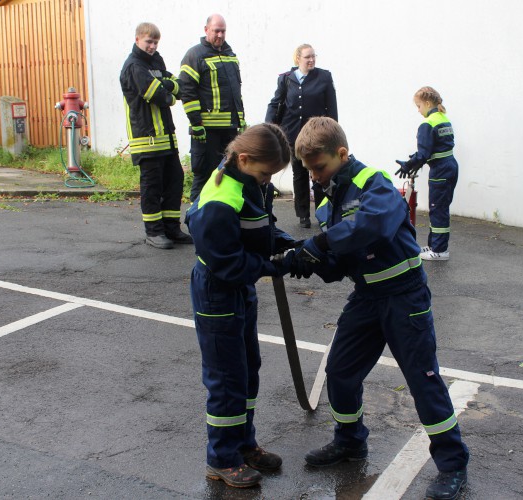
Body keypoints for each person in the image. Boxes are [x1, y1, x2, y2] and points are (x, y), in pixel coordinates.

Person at [293, 117, 470, 500]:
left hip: (404, 296)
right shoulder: (328, 200)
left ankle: (453, 464)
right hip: (367, 297)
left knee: (423, 381)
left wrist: (321, 245)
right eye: (309, 169)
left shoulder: (374, 183)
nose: (315, 176)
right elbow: (339, 263)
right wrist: (303, 262)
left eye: (319, 167)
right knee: (340, 372)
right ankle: (350, 441)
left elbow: (374, 226)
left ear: (341, 154)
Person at [185, 123, 301, 489]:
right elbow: (229, 263)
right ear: (245, 158)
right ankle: (220, 458)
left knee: (248, 369)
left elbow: (260, 229)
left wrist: (292, 246)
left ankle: (243, 444)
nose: (268, 181)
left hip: (238, 290)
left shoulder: (249, 183)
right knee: (226, 378)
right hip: (218, 291)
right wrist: (276, 265)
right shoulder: (221, 199)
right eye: (266, 173)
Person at [119, 22, 193, 249]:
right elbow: (160, 96)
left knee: (174, 181)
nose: (152, 46)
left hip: (166, 138)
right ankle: (153, 232)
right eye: (148, 42)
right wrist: (167, 91)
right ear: (137, 40)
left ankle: (171, 228)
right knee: (152, 187)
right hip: (147, 139)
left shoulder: (155, 62)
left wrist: (166, 86)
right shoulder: (134, 66)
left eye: (155, 42)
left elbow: (179, 87)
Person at [265, 44, 338, 228]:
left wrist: (332, 132)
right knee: (299, 174)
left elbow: (332, 107)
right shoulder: (286, 79)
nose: (312, 60)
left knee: (320, 174)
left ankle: (323, 213)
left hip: (317, 136)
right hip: (292, 134)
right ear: (298, 58)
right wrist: (268, 126)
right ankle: (303, 215)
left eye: (314, 56)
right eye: (308, 57)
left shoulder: (324, 77)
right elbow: (275, 103)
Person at [179, 14, 245, 203]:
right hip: (206, 131)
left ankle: (221, 217)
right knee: (203, 175)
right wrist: (196, 122)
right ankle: (196, 218)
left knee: (228, 174)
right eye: (216, 30)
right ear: (206, 29)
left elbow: (235, 91)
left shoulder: (230, 55)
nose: (220, 35)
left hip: (230, 130)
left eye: (223, 31)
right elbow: (187, 90)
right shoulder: (195, 55)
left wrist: (241, 120)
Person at [396, 86, 459, 261]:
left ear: (427, 103)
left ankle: (439, 250)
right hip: (450, 166)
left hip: (440, 170)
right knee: (440, 208)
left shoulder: (427, 123)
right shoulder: (443, 119)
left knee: (437, 209)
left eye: (418, 106)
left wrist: (408, 165)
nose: (418, 110)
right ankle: (434, 245)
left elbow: (424, 154)